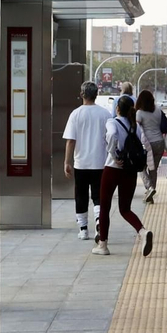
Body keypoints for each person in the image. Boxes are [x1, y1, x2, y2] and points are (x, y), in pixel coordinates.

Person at [94, 95, 153, 257]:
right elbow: (145, 143)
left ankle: (103, 245)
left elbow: (111, 136)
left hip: (113, 169)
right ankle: (142, 231)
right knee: (125, 208)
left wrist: (114, 155)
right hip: (130, 171)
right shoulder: (135, 125)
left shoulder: (112, 122)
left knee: (104, 207)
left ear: (117, 109)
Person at [62, 81, 109, 240]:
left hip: (81, 162)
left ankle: (83, 229)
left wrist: (67, 162)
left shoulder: (75, 114)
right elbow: (111, 138)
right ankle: (98, 222)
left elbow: (70, 141)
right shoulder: (105, 114)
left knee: (81, 195)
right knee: (98, 195)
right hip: (100, 162)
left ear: (82, 94)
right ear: (96, 95)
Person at [134, 90, 167, 203]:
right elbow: (166, 126)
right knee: (153, 169)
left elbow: (137, 130)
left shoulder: (139, 113)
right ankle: (151, 193)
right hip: (159, 143)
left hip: (147, 145)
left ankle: (150, 188)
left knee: (141, 167)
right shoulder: (158, 111)